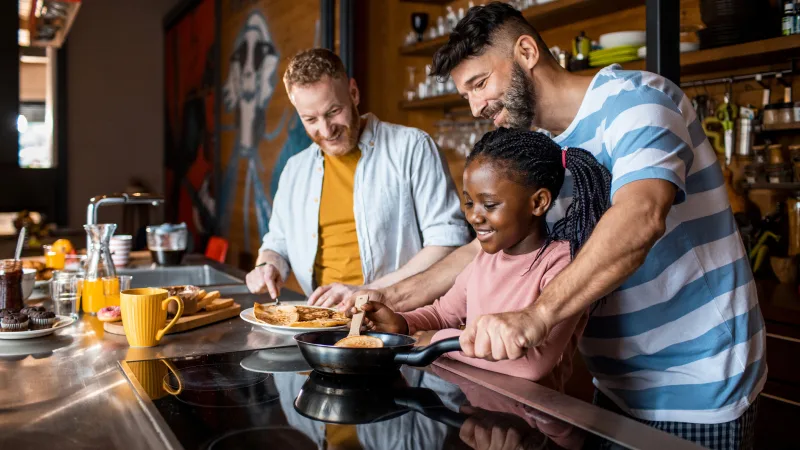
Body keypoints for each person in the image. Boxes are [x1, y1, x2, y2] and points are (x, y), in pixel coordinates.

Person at [349, 3, 764, 448]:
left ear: (526, 51)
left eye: (480, 83)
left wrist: (538, 316)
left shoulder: (638, 101)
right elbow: (477, 251)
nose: (475, 106)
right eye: (466, 93)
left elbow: (641, 215)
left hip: (697, 381)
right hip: (612, 384)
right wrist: (386, 298)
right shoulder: (541, 148)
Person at [356, 128, 610, 391]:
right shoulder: (484, 259)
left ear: (538, 203)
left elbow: (531, 365)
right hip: (482, 410)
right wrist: (402, 323)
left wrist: (437, 341)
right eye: (468, 203)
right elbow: (443, 314)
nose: (474, 217)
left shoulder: (563, 265)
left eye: (489, 205)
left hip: (538, 420)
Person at [245, 49, 471, 304]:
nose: (326, 130)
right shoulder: (294, 170)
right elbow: (277, 243)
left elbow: (448, 244)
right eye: (310, 119)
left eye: (333, 111)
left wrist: (368, 292)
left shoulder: (412, 147)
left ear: (353, 92)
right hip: (323, 322)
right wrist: (269, 265)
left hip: (399, 316)